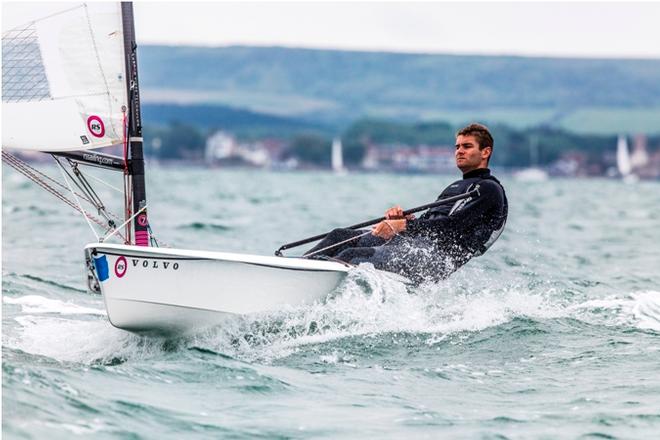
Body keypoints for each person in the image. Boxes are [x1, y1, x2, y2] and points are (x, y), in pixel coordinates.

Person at [304, 123, 508, 284]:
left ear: (485, 152)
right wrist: (405, 221)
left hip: (434, 260)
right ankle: (296, 270)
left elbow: (451, 228)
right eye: (457, 147)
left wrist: (403, 226)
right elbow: (430, 223)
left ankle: (315, 287)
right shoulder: (457, 186)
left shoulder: (489, 189)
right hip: (412, 246)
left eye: (467, 146)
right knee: (339, 235)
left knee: (351, 255)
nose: (459, 151)